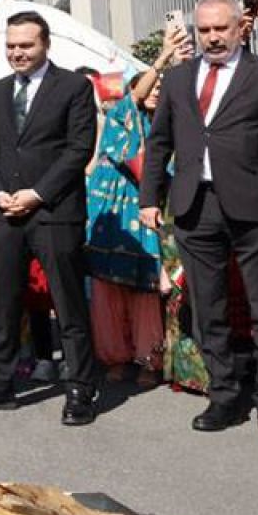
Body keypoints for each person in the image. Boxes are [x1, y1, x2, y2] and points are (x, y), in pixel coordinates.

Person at [139, 0, 258, 443]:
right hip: (195, 206)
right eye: (205, 30)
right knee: (208, 309)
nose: (213, 37)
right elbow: (159, 143)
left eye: (221, 28)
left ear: (240, 28)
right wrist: (149, 197)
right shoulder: (179, 79)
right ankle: (224, 396)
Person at [0, 10, 101, 425]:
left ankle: (80, 389)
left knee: (68, 304)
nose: (17, 53)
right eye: (11, 46)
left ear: (46, 44)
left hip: (55, 211)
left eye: (26, 45)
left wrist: (37, 194)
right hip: (6, 213)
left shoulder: (74, 87)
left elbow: (79, 148)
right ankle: (0, 384)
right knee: (3, 304)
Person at [86, 27, 189, 388]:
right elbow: (136, 98)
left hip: (150, 212)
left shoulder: (171, 125)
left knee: (146, 286)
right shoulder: (122, 119)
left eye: (161, 87)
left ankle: (149, 358)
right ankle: (114, 356)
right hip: (111, 214)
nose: (156, 90)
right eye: (149, 86)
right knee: (107, 290)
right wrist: (161, 59)